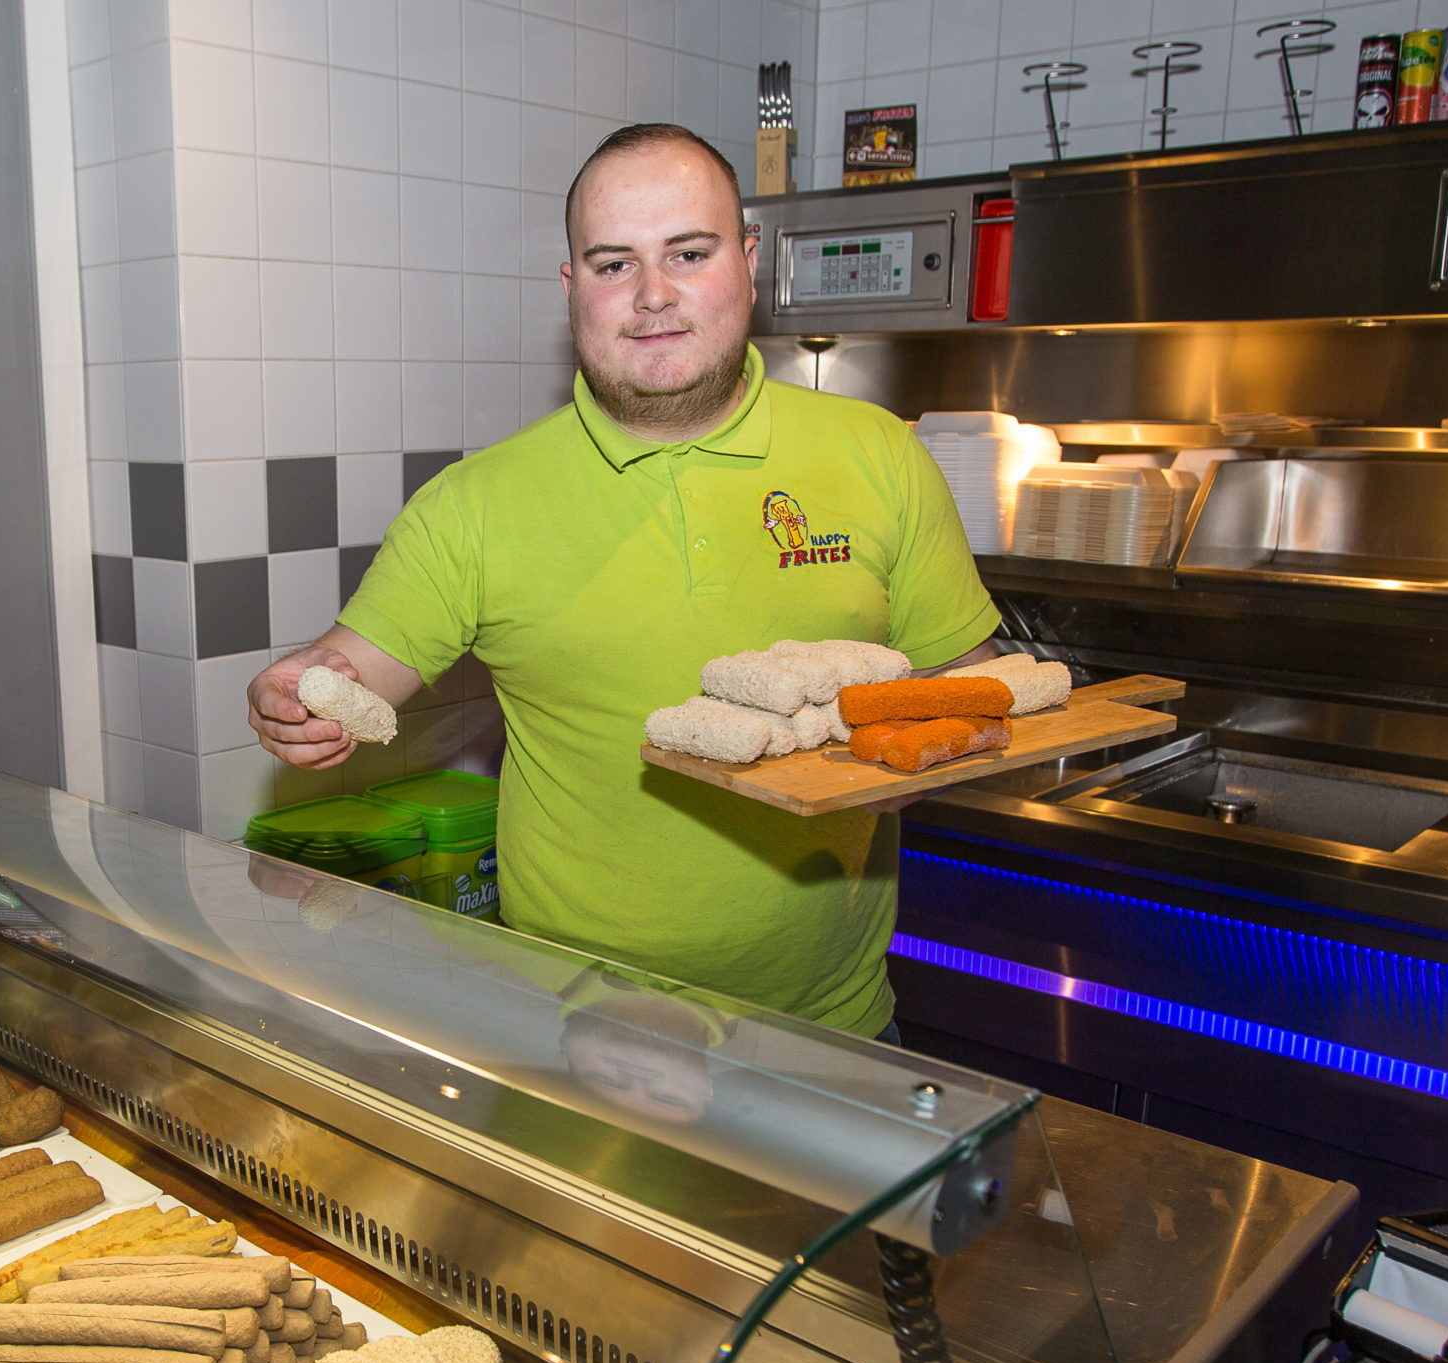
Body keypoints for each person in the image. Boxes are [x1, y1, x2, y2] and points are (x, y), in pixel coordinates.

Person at [245, 122, 999, 1039]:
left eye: (689, 252)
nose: (653, 295)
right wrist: (300, 696)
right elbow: (348, 672)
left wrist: (904, 754)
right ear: (573, 289)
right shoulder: (474, 505)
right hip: (575, 1036)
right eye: (614, 264)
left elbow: (967, 689)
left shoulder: (880, 453)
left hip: (832, 1033)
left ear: (749, 259)